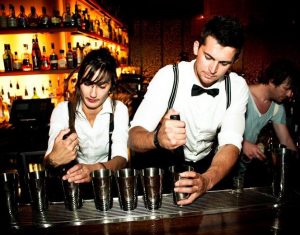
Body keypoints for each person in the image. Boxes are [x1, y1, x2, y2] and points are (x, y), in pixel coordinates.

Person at [128, 15, 249, 205]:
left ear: (233, 62)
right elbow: (133, 137)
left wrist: (207, 180)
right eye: (208, 57)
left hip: (210, 169)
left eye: (224, 63)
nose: (213, 69)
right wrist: (156, 138)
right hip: (165, 169)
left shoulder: (237, 86)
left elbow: (231, 144)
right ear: (195, 48)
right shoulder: (169, 77)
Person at [44, 48, 129, 184]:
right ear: (78, 82)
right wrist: (54, 159)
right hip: (72, 185)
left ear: (111, 86)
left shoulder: (119, 110)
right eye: (87, 83)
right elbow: (49, 161)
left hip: (106, 183)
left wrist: (94, 170)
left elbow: (121, 158)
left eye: (102, 86)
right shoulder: (62, 111)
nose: (93, 94)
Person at [236, 59, 298, 185]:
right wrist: (242, 144)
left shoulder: (276, 107)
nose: (290, 94)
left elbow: (285, 140)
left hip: (244, 171)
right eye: (286, 88)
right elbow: (215, 129)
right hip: (223, 166)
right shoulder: (242, 94)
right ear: (272, 81)